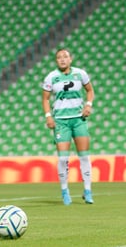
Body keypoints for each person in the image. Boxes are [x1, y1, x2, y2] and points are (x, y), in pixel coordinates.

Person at [42, 48, 95, 205]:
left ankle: (87, 190)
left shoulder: (80, 74)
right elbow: (45, 99)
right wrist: (48, 116)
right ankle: (65, 192)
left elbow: (90, 90)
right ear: (56, 61)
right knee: (64, 158)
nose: (62, 59)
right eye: (59, 57)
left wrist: (88, 105)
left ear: (71, 59)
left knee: (84, 156)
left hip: (78, 119)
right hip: (61, 121)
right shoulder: (51, 77)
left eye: (65, 56)